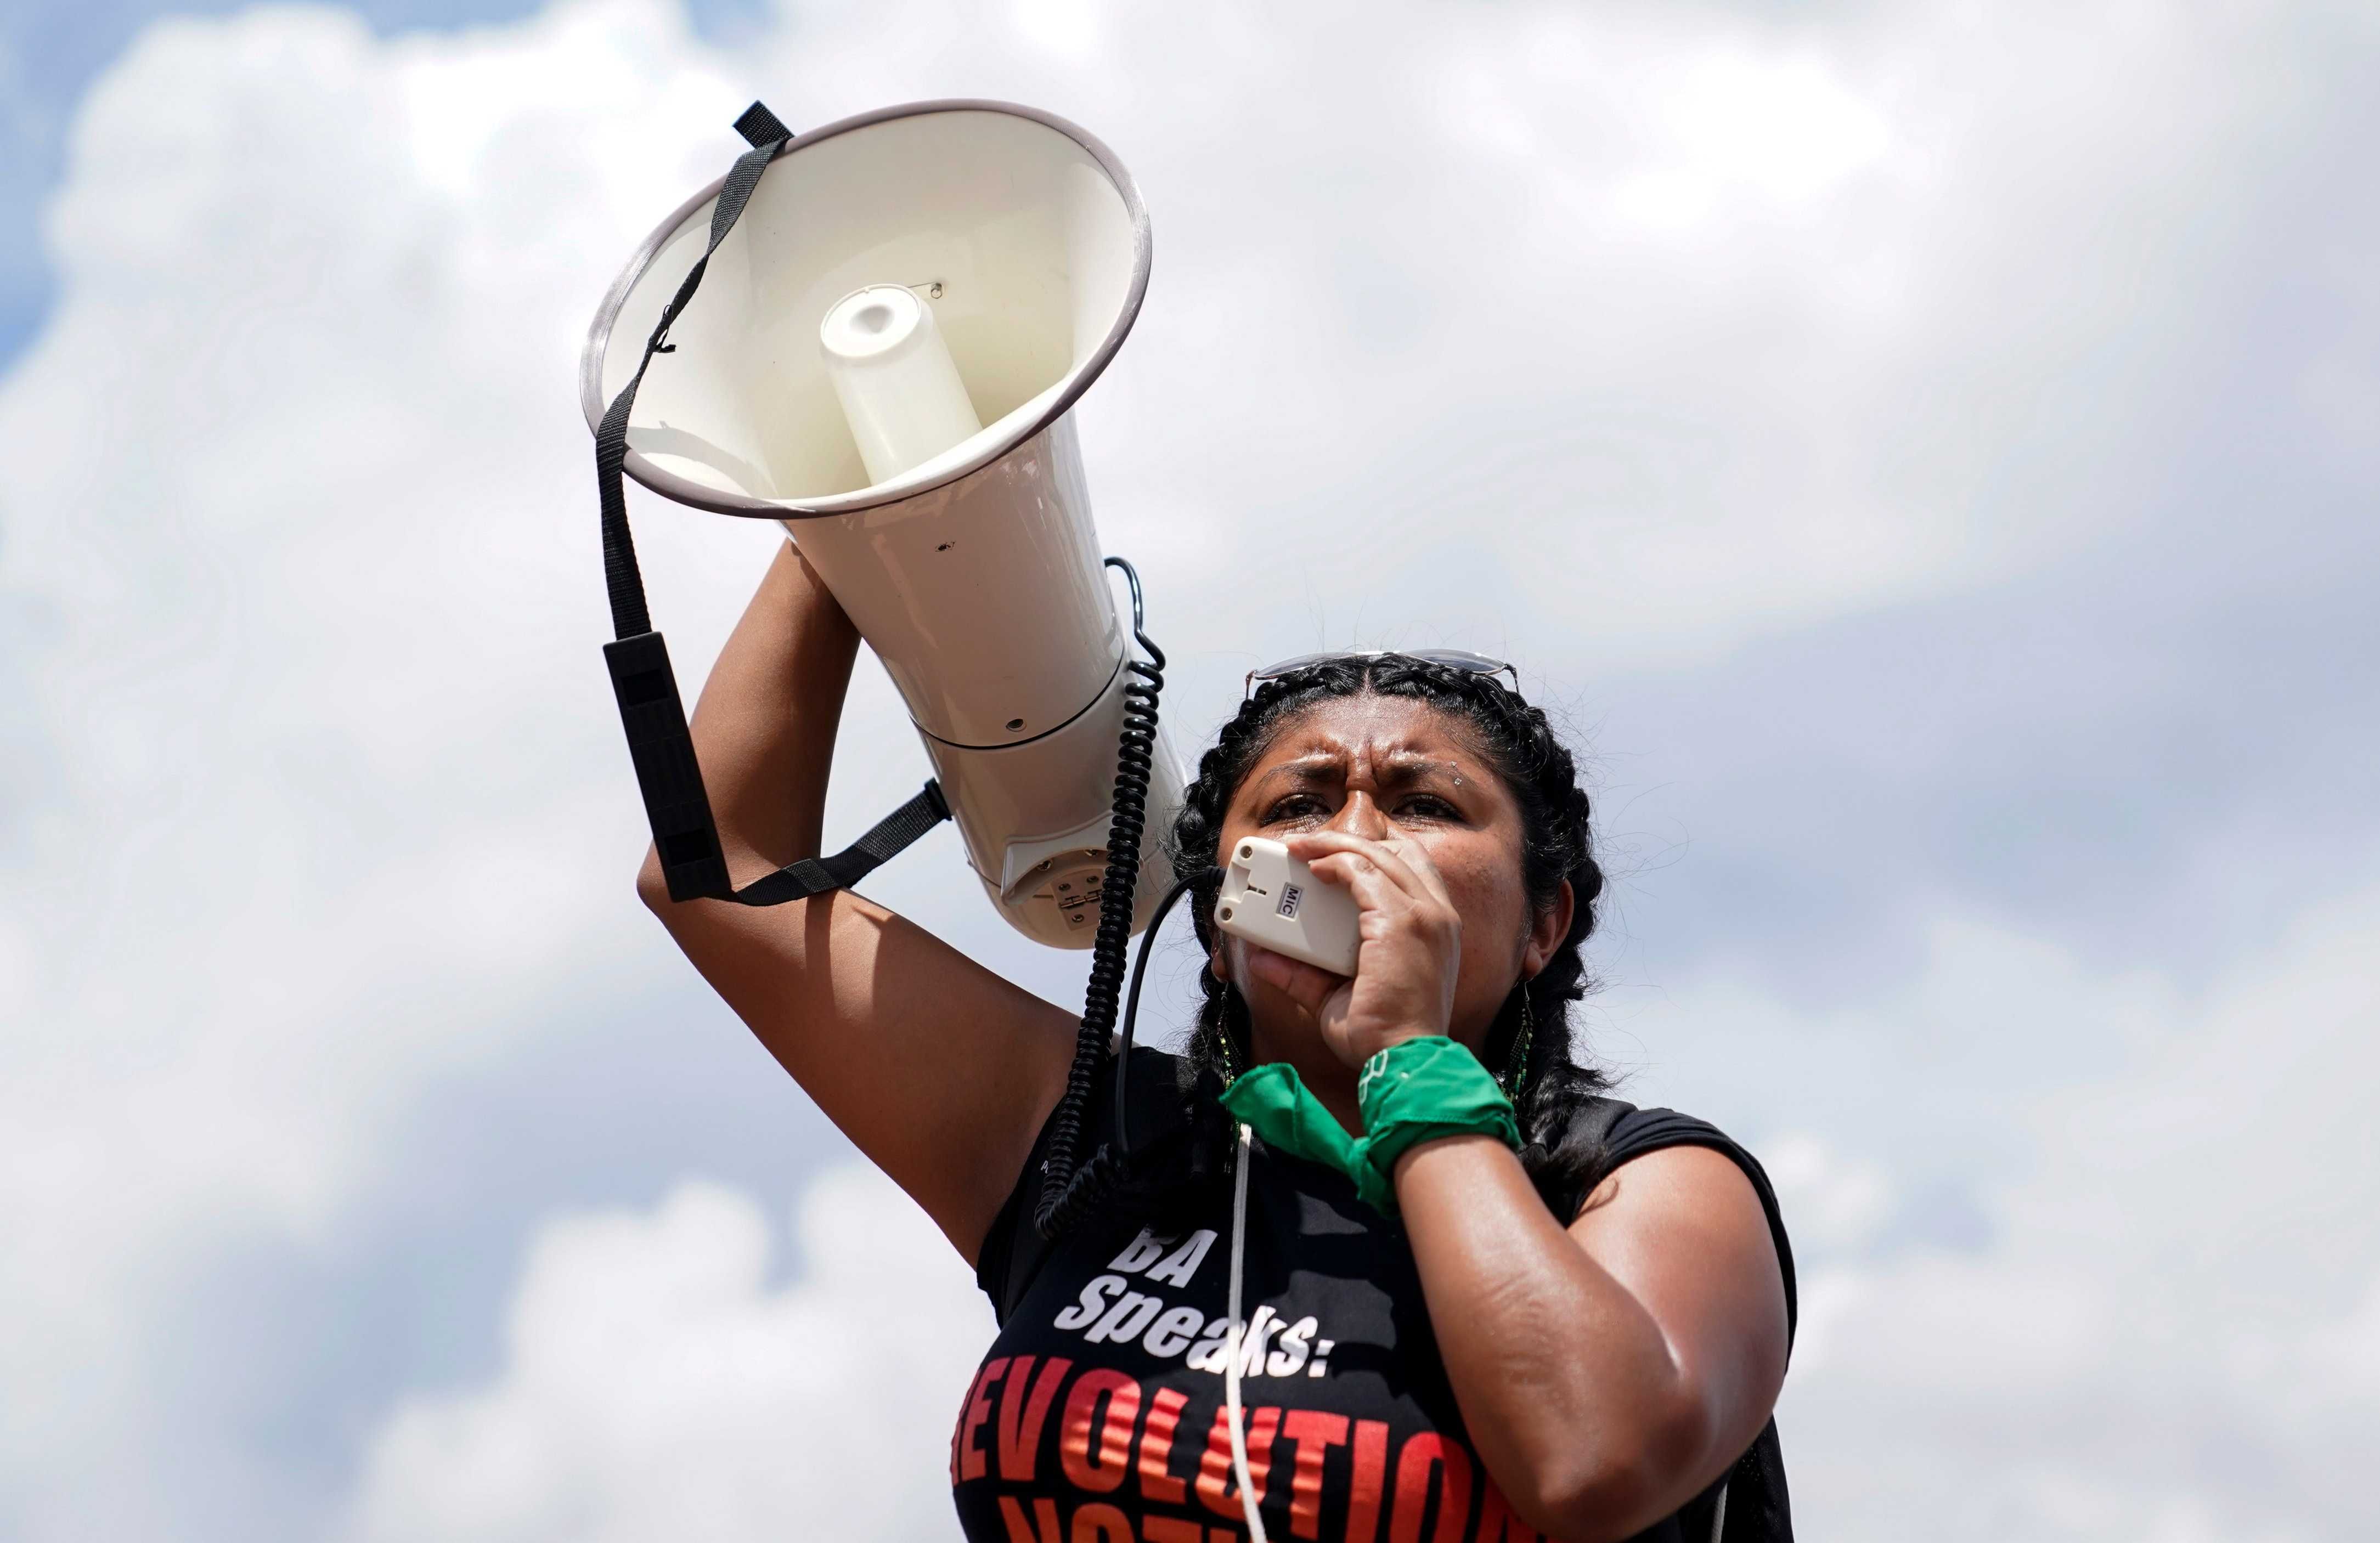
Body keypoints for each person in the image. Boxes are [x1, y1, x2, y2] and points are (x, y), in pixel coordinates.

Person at [642, 543, 1797, 1542]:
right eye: (1298, 805)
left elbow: (1589, 1457)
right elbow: (717, 875)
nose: (1351, 841)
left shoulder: (1641, 1185)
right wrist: (852, 518)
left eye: (1424, 805)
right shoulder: (1088, 1135)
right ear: (1216, 922)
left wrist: (1409, 1063)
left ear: (1544, 923)